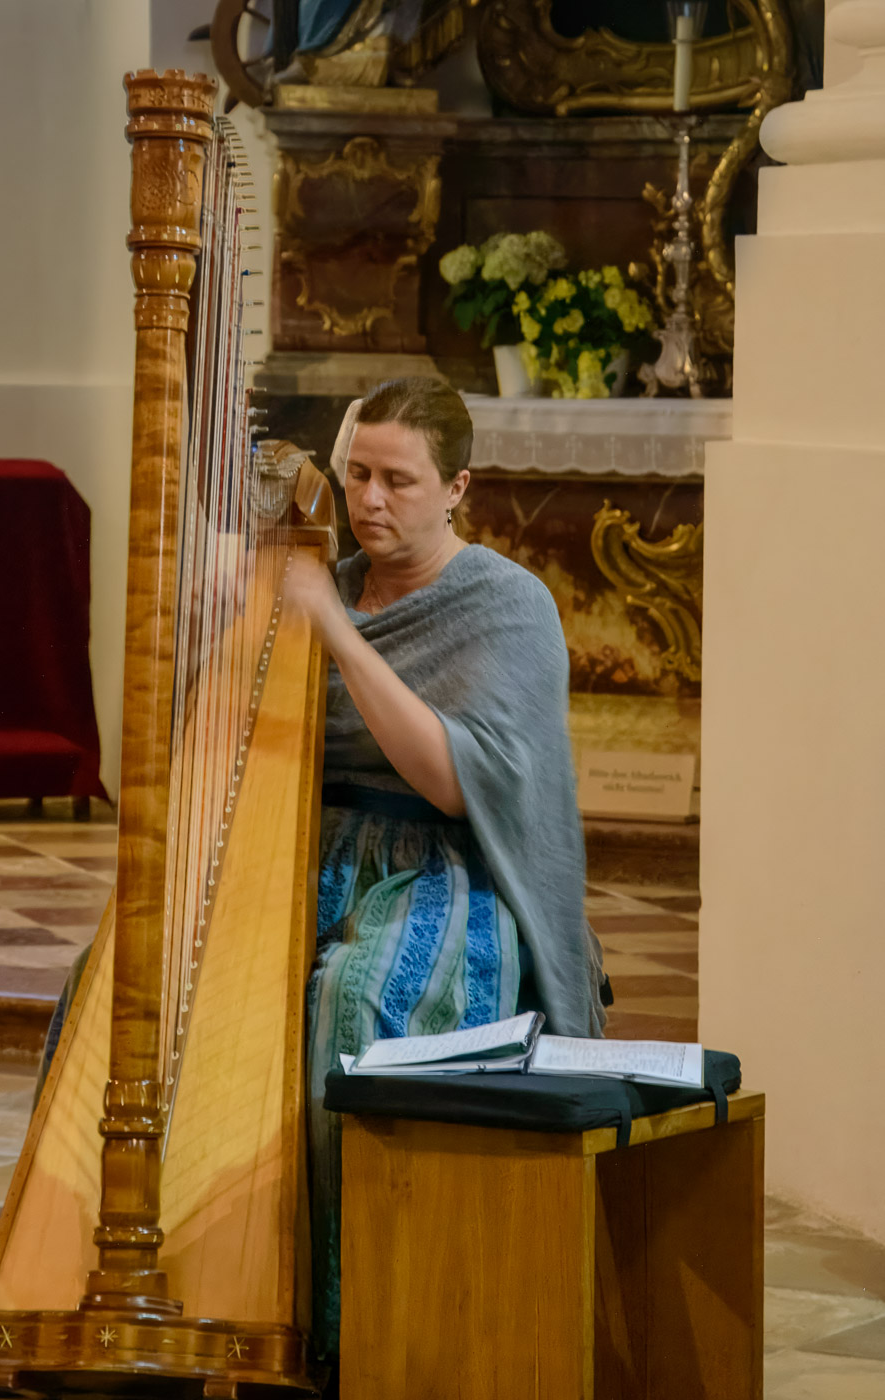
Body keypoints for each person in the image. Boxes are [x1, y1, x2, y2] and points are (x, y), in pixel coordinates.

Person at [284, 376, 607, 1357]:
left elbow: (458, 781)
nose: (370, 501)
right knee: (136, 974)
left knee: (360, 998)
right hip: (309, 854)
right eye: (355, 476)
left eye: (399, 480)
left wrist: (335, 633)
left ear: (457, 484)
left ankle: (354, 1332)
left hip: (442, 864)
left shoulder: (510, 604)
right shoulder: (314, 580)